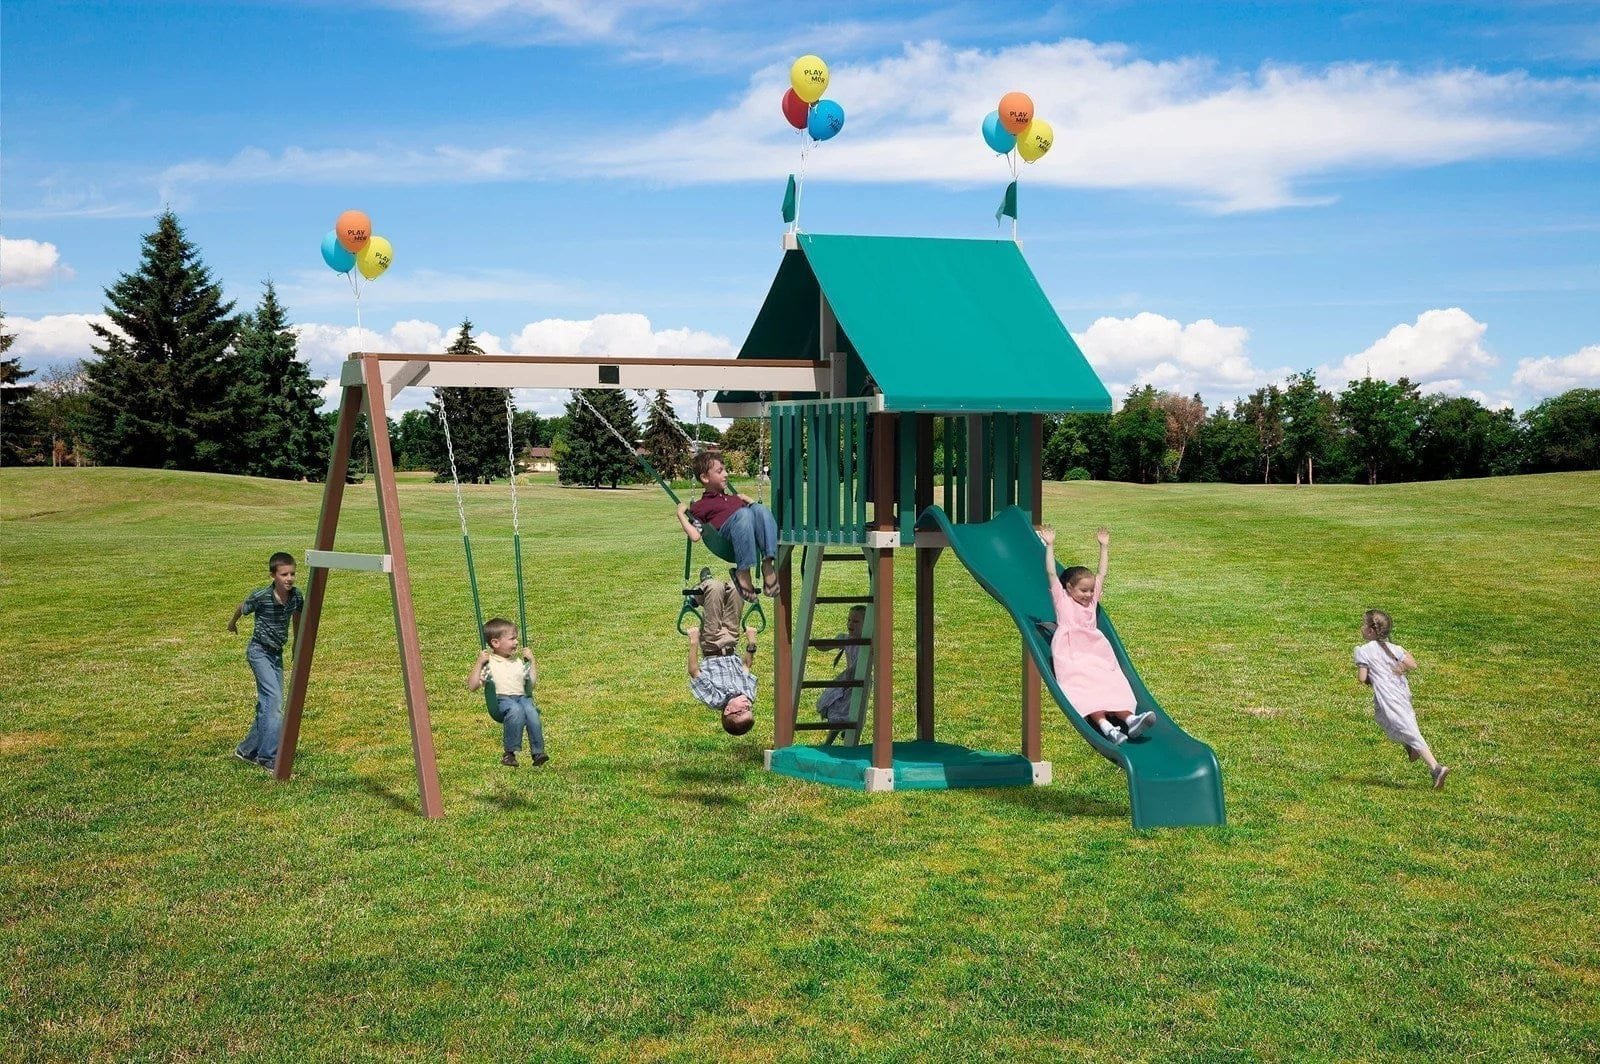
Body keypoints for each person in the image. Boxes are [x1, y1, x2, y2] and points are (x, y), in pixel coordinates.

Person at [1041, 527, 1155, 745]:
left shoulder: (1091, 601)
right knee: (1085, 686)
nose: (1089, 594)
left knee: (1110, 681)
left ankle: (1130, 720)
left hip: (1096, 651)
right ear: (1069, 588)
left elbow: (1101, 574)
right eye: (1083, 590)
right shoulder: (1062, 600)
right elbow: (1051, 573)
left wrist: (1104, 546)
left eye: (1091, 590)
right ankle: (1107, 728)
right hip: (1072, 653)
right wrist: (1050, 545)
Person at [227, 551, 304, 770]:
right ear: (273, 576)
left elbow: (298, 617)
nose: (289, 578)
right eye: (284, 574)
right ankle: (268, 758)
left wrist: (297, 644)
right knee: (274, 702)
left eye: (292, 574)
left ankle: (246, 750)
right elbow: (242, 607)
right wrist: (232, 623)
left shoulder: (296, 596)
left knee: (268, 704)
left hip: (276, 654)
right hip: (259, 652)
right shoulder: (261, 596)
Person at [1355, 609, 1449, 789]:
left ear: (1371, 631)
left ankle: (1436, 768)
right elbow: (1412, 663)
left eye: (1363, 625)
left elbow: (1362, 677)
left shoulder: (1363, 651)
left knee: (1408, 728)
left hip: (1388, 696)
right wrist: (1400, 669)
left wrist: (1370, 675)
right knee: (1382, 718)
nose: (1361, 628)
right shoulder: (1394, 648)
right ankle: (1410, 746)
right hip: (1400, 692)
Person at [676, 452, 779, 602]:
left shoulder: (734, 499)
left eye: (725, 470)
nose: (726, 474)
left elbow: (760, 518)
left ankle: (768, 563)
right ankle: (742, 571)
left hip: (749, 538)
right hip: (725, 540)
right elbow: (695, 536)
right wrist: (681, 514)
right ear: (705, 478)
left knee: (760, 509)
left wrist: (748, 500)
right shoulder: (700, 506)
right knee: (744, 513)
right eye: (720, 471)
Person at [686, 574, 760, 736]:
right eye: (749, 709)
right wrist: (752, 641)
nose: (747, 705)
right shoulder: (748, 694)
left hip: (712, 643)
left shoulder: (714, 698)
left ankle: (700, 591)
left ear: (728, 710)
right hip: (731, 641)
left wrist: (694, 641)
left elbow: (694, 671)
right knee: (737, 588)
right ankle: (701, 595)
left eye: (742, 710)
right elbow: (746, 665)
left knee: (715, 587)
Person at [467, 617, 547, 768]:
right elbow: (472, 686)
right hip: (502, 700)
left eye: (516, 638)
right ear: (495, 643)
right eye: (512, 639)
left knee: (531, 711)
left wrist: (532, 661)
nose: (516, 642)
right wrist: (479, 662)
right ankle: (509, 753)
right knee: (516, 710)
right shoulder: (489, 664)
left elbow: (531, 684)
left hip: (522, 698)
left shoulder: (518, 662)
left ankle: (538, 752)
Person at [816, 604, 867, 744]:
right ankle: (830, 741)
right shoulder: (846, 639)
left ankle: (848, 733)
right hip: (846, 681)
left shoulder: (869, 643)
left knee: (854, 711)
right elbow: (827, 646)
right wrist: (815, 643)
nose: (850, 624)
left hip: (861, 682)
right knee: (837, 708)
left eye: (856, 621)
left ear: (868, 625)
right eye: (849, 620)